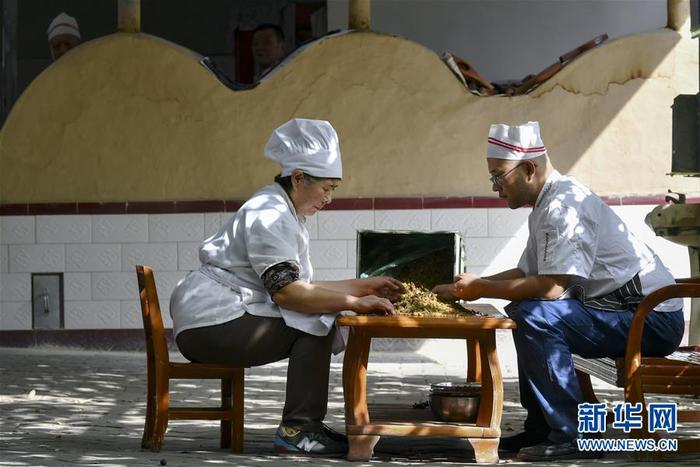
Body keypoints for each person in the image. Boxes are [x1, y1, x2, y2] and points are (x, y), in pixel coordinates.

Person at [432, 121, 684, 461]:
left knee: (535, 315)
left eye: (498, 177)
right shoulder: (547, 203)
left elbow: (551, 288)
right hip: (625, 313)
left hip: (651, 318)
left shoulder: (563, 205)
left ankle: (571, 433)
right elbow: (527, 273)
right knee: (528, 312)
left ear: (528, 169)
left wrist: (481, 288)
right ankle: (542, 426)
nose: (495, 187)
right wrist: (471, 286)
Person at [170, 118, 404, 457]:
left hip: (217, 317)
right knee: (317, 324)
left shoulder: (280, 209)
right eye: (327, 188)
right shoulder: (270, 214)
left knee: (320, 314)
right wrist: (355, 301)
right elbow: (288, 294)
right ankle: (299, 429)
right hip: (210, 325)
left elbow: (297, 286)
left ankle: (306, 424)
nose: (329, 198)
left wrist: (364, 287)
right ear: (298, 178)